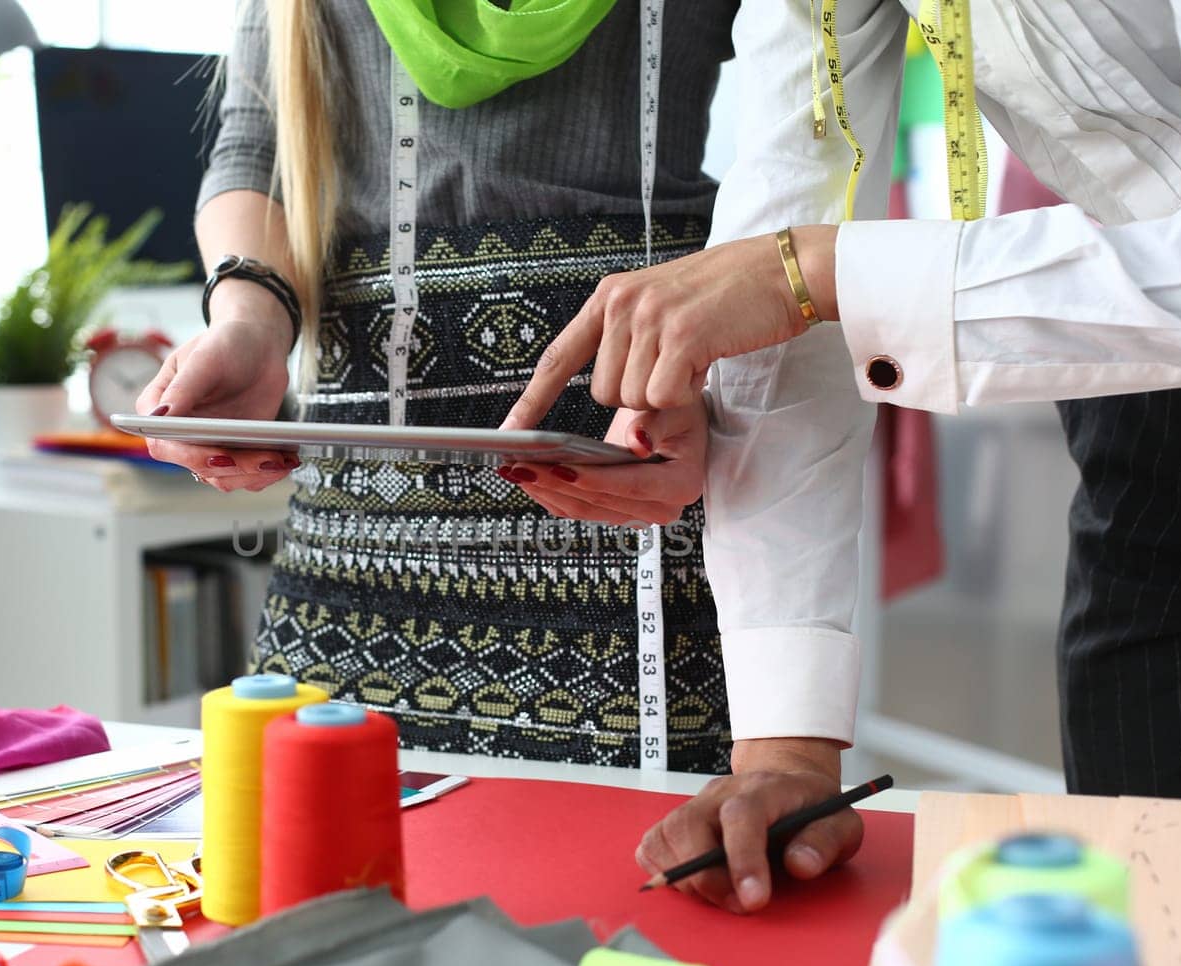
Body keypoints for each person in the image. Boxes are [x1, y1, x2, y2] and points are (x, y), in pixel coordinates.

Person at [503, 0, 1181, 909]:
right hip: (1157, 394)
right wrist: (787, 748)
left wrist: (824, 274)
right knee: (1164, 919)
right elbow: (792, 217)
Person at [138, 0, 776, 777]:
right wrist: (248, 317)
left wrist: (715, 348)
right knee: (333, 858)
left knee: (634, 869)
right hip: (362, 532)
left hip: (643, 448)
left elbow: (800, 147)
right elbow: (256, 145)